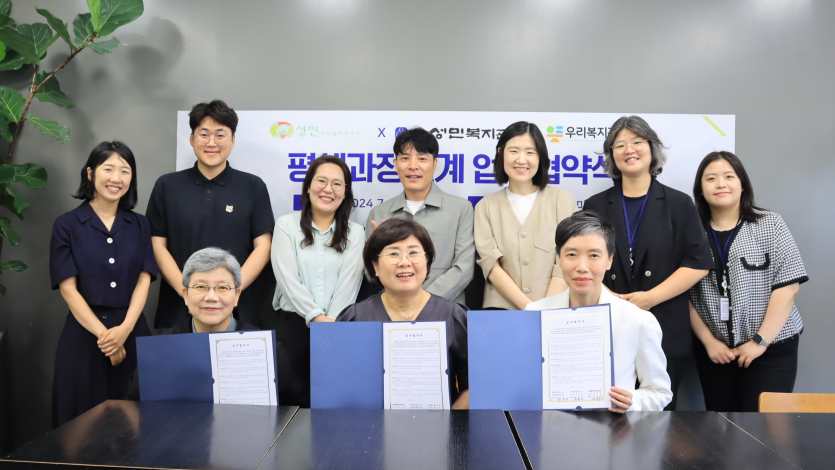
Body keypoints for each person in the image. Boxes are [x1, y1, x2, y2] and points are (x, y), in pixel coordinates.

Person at [582, 115, 712, 410]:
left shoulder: (679, 204)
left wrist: (650, 298)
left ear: (652, 148)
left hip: (665, 325)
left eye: (637, 142)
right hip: (609, 326)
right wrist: (612, 299)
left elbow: (698, 262)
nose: (629, 149)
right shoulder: (595, 206)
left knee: (660, 418)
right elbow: (583, 260)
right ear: (612, 156)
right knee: (606, 419)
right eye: (620, 145)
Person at [689, 151, 807, 412]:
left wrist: (759, 342)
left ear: (742, 184)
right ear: (700, 189)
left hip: (772, 347)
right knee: (722, 427)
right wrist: (708, 341)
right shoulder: (691, 232)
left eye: (729, 177)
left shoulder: (770, 224)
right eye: (711, 178)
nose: (720, 184)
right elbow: (683, 294)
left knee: (766, 427)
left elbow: (788, 287)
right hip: (717, 352)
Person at [50, 141, 156, 426]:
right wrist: (107, 339)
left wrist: (124, 330)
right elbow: (68, 289)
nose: (116, 178)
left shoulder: (141, 224)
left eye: (125, 171)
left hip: (132, 333)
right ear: (90, 173)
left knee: (137, 426)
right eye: (108, 169)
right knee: (79, 426)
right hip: (84, 336)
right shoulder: (67, 224)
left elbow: (144, 279)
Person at [526, 210, 672, 412]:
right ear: (559, 259)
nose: (582, 267)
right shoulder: (534, 313)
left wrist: (633, 401)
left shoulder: (638, 320)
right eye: (571, 255)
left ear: (610, 260)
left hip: (613, 427)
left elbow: (659, 392)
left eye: (594, 255)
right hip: (548, 426)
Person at [146, 100, 274, 329]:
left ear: (233, 140)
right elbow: (157, 246)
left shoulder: (253, 187)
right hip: (178, 309)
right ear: (192, 139)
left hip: (238, 310)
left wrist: (230, 292)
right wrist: (188, 292)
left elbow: (263, 248)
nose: (211, 143)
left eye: (220, 135)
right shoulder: (167, 186)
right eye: (204, 135)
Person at [126, 248, 299, 402]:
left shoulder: (269, 351)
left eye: (222, 288)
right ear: (185, 295)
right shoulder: (159, 350)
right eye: (201, 287)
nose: (211, 297)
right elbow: (135, 405)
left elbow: (290, 410)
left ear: (237, 296)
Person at [337, 219, 469, 409]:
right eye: (393, 254)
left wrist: (449, 422)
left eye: (413, 253)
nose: (404, 262)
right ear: (375, 266)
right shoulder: (355, 319)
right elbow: (340, 385)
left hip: (442, 426)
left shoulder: (454, 317)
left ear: (427, 261)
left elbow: (473, 386)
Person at [271, 155, 365, 407]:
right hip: (293, 326)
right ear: (308, 186)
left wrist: (330, 323)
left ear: (345, 193)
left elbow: (350, 283)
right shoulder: (286, 225)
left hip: (337, 327)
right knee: (288, 404)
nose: (328, 189)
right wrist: (316, 317)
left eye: (337, 184)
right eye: (321, 181)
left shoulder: (356, 233)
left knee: (330, 403)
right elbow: (287, 279)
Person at [365, 127, 474, 305]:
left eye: (422, 158)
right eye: (405, 158)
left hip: (446, 310)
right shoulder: (379, 213)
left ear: (435, 164)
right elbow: (370, 271)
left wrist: (423, 302)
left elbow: (464, 268)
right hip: (392, 310)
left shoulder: (461, 209)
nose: (413, 166)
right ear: (395, 164)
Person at [474, 121, 576, 310]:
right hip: (502, 311)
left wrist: (546, 309)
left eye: (530, 152)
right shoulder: (485, 207)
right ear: (500, 153)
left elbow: (568, 259)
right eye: (513, 151)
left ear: (540, 157)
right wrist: (530, 308)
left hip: (556, 309)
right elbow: (492, 268)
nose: (521, 160)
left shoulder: (561, 200)